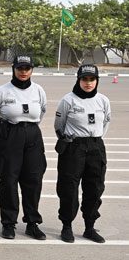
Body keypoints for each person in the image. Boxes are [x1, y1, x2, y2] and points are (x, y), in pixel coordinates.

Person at [0, 54, 47, 241]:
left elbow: (42, 111)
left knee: (33, 180)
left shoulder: (38, 90)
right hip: (10, 137)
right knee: (8, 181)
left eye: (27, 68)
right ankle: (8, 223)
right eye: (20, 68)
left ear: (31, 70)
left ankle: (32, 223)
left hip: (32, 136)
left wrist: (28, 129)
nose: (24, 72)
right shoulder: (2, 91)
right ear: (13, 68)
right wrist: (0, 132)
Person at [54, 64, 112, 243]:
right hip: (73, 147)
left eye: (92, 79)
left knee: (95, 188)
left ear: (97, 81)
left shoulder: (103, 100)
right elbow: (59, 125)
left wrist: (94, 139)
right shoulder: (68, 100)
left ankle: (89, 227)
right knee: (68, 188)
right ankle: (67, 226)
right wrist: (72, 140)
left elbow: (106, 122)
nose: (88, 83)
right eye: (84, 79)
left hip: (95, 146)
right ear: (78, 80)